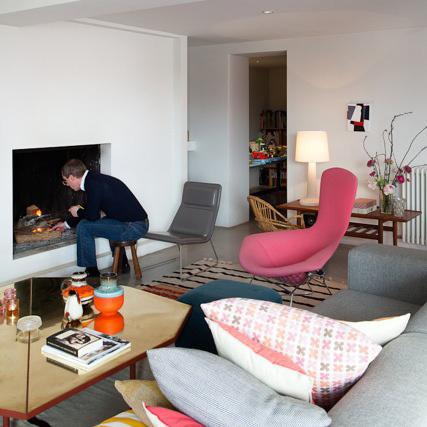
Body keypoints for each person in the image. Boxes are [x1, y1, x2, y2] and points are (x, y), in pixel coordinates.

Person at [51, 159, 149, 277]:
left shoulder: (92, 184)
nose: (68, 185)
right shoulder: (93, 179)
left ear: (72, 177)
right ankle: (122, 263)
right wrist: (66, 224)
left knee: (84, 227)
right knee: (104, 222)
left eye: (66, 181)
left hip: (134, 227)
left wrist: (78, 211)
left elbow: (92, 216)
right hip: (134, 223)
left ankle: (92, 271)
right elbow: (90, 209)